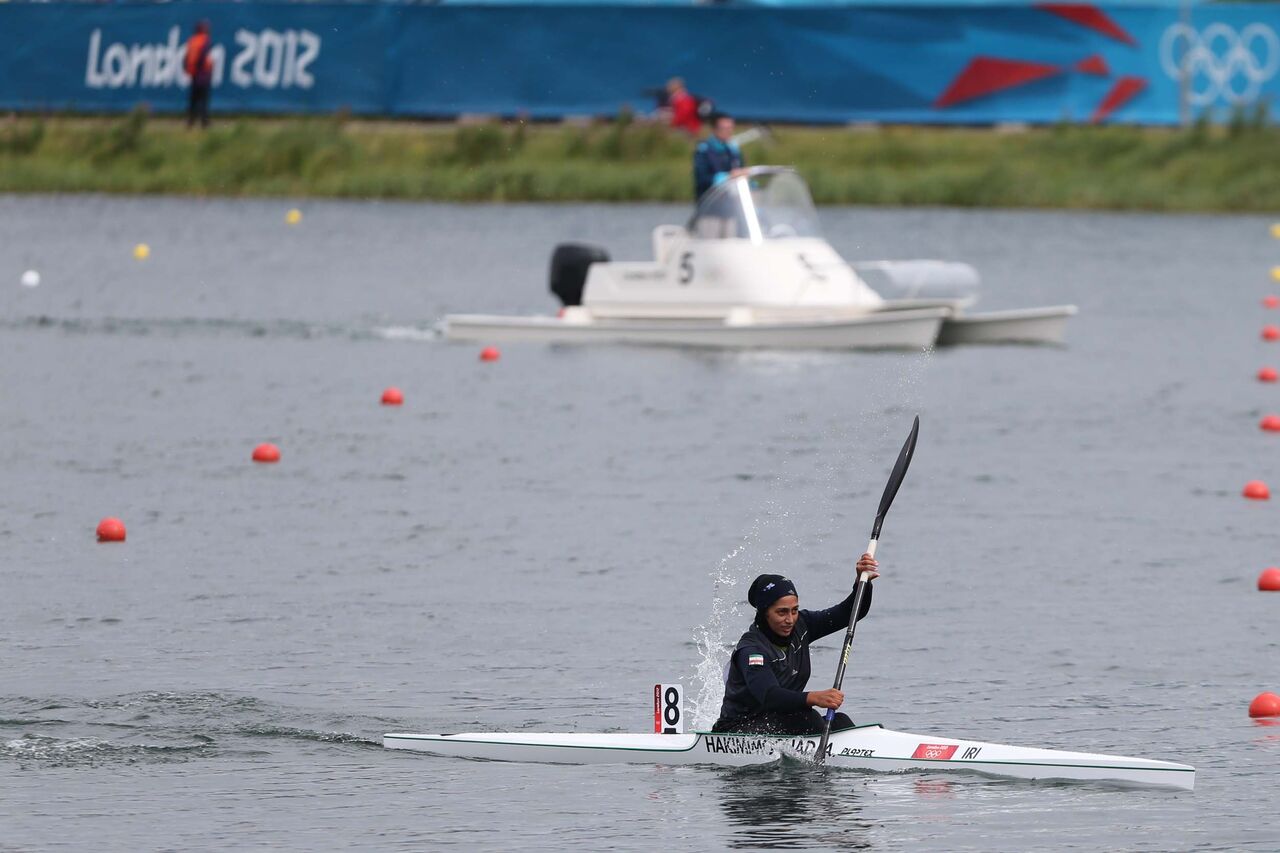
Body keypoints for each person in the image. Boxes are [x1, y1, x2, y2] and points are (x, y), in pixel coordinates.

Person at [711, 553, 879, 736]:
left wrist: (863, 582)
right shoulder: (752, 650)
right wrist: (814, 697)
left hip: (783, 722)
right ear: (764, 613)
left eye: (794, 610)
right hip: (738, 731)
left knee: (841, 722)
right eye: (781, 612)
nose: (790, 619)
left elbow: (850, 613)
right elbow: (769, 696)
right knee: (809, 718)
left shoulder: (802, 625)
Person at [693, 113, 747, 199]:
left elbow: (741, 170)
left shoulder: (733, 150)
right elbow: (702, 179)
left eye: (730, 128)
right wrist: (727, 177)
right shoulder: (704, 150)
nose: (729, 131)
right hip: (710, 201)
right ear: (714, 129)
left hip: (732, 201)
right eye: (724, 128)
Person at [184, 20, 214, 129]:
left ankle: (190, 122)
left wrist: (189, 70)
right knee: (203, 101)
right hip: (203, 74)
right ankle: (204, 123)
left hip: (194, 74)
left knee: (193, 100)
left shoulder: (192, 41)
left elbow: (186, 57)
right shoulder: (204, 41)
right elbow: (203, 56)